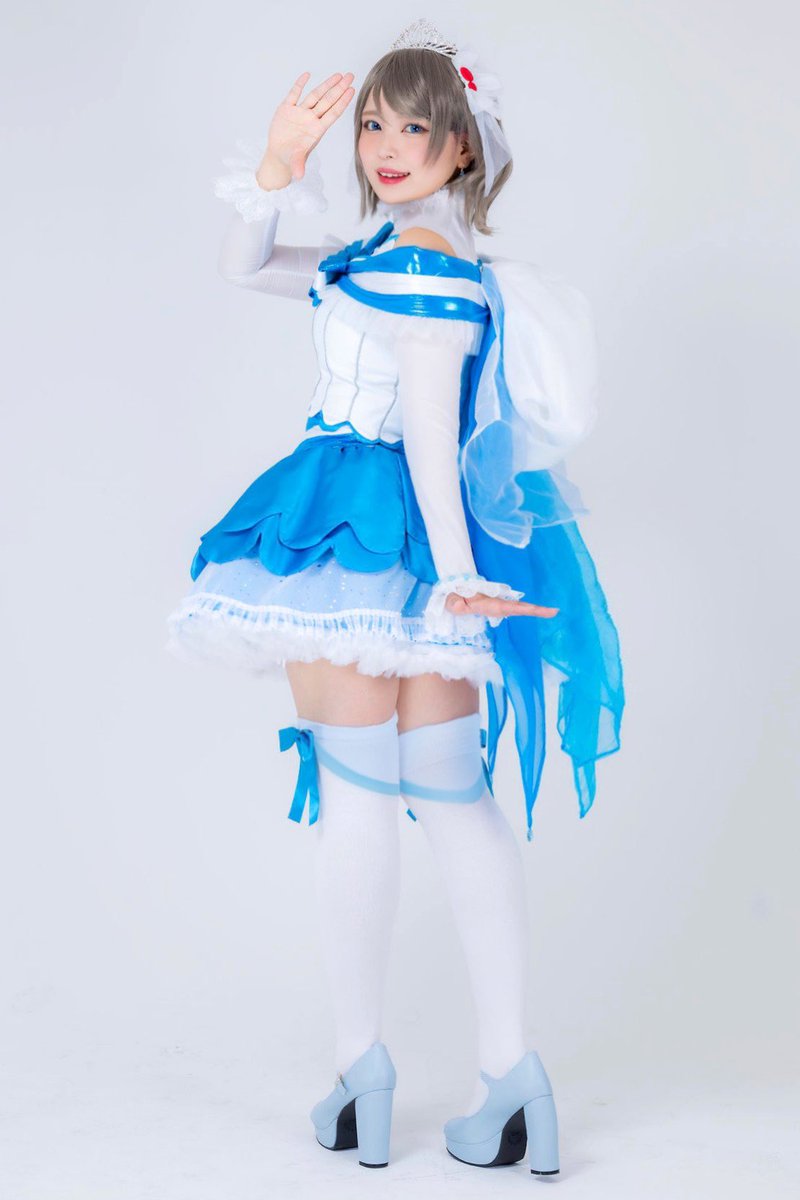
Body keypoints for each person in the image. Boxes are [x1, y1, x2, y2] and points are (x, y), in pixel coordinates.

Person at [166, 18, 624, 1173]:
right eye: (371, 122)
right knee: (451, 797)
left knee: (361, 795)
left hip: (362, 533)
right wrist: (277, 164)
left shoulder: (414, 262)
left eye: (412, 125)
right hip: (414, 537)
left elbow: (427, 429)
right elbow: (246, 266)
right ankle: (511, 1075)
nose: (382, 143)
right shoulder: (397, 253)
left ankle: (361, 1070)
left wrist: (458, 576)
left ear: (461, 144)